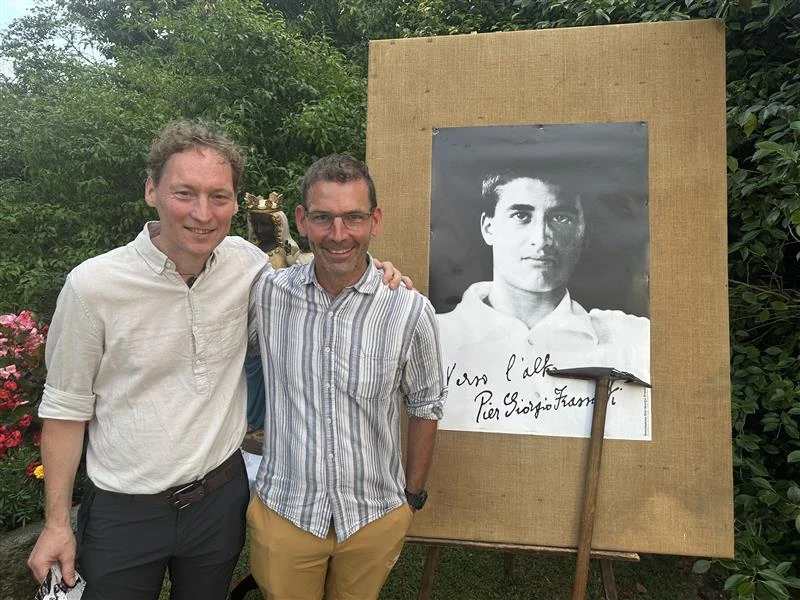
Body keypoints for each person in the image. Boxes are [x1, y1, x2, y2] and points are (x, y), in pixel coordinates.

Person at [27, 121, 407, 600]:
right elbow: (65, 410)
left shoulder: (248, 266)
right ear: (151, 190)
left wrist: (383, 274)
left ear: (235, 200)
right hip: (125, 510)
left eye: (219, 196)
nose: (203, 214)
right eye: (185, 193)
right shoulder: (93, 287)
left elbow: (327, 268)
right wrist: (57, 523)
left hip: (218, 502)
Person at [246, 154, 447, 600]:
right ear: (300, 220)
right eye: (323, 218)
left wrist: (411, 498)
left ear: (374, 220)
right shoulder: (266, 295)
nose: (338, 235)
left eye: (353, 217)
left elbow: (426, 405)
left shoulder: (409, 309)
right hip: (285, 512)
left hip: (374, 516)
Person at [437, 172, 650, 437]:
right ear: (488, 227)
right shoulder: (435, 336)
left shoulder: (632, 339)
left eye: (561, 217)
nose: (542, 238)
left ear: (582, 230)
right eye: (521, 216)